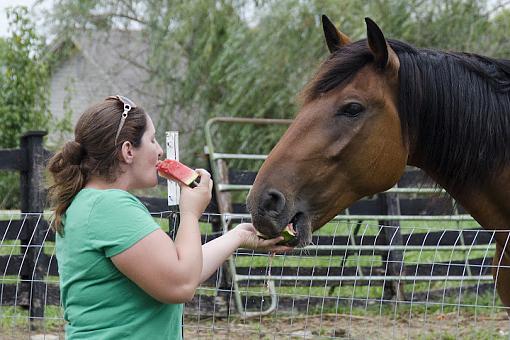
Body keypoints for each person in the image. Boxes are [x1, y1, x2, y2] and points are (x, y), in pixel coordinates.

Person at [47, 95, 290, 339]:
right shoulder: (110, 206)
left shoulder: (87, 202)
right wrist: (190, 213)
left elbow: (178, 269)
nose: (160, 150)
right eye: (152, 140)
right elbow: (182, 284)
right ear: (128, 151)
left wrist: (237, 236)